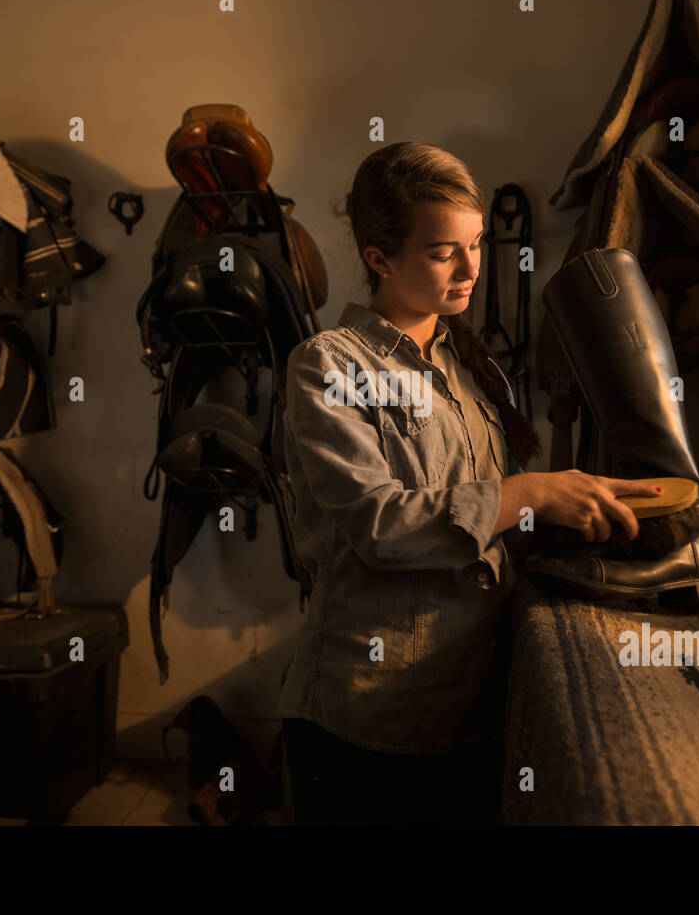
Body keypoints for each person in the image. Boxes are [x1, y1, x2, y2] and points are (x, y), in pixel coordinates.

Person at [277, 142, 662, 824]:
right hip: (372, 724)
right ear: (379, 258)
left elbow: (483, 529)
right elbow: (381, 526)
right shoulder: (327, 365)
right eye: (441, 251)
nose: (471, 268)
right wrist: (532, 492)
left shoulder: (467, 370)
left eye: (476, 244)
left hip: (474, 711)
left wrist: (580, 507)